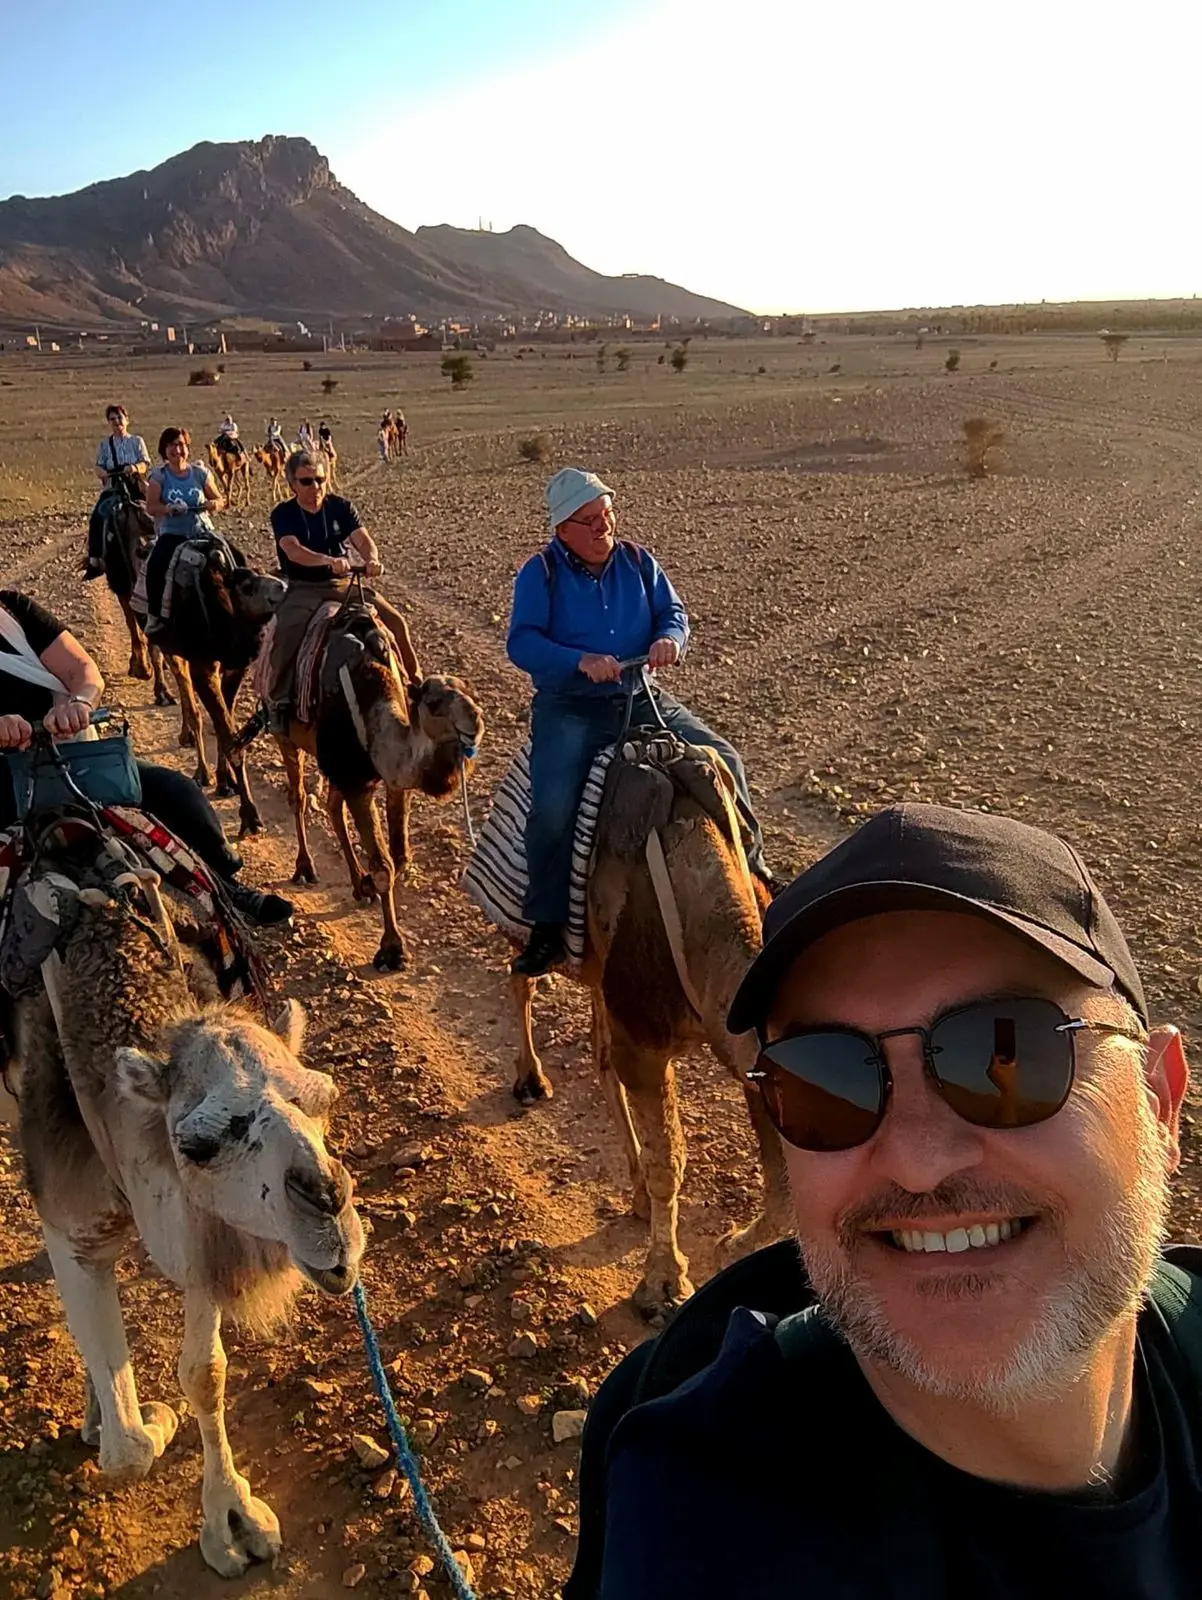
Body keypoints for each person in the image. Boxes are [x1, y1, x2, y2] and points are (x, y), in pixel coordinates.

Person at [570, 803, 1200, 1599]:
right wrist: (580, 666)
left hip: (661, 699)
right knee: (558, 817)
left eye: (1006, 1053)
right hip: (574, 692)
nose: (916, 1161)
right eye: (825, 1080)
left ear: (1160, 1101)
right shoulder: (701, 1517)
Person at [505, 467, 773, 976]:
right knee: (553, 810)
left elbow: (673, 613)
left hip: (638, 693)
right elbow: (522, 642)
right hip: (572, 705)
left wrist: (671, 639)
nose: (603, 526)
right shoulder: (539, 573)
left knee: (724, 761)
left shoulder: (637, 561)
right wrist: (578, 660)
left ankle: (756, 872)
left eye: (606, 514)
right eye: (589, 520)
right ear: (563, 528)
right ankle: (547, 926)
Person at [0, 590, 291, 925]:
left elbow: (82, 669)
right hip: (6, 777)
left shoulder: (12, 609)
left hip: (70, 758)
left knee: (178, 792)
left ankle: (225, 886)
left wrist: (80, 703)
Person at [264, 451, 419, 732]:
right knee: (287, 632)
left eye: (320, 479)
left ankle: (415, 684)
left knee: (395, 620)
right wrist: (328, 561)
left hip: (345, 584)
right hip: (305, 587)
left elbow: (363, 539)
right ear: (293, 485)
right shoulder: (283, 514)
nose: (316, 487)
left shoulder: (341, 507)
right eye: (307, 481)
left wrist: (371, 559)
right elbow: (293, 550)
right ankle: (279, 699)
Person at [143, 427, 221, 627]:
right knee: (156, 565)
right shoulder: (159, 477)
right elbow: (151, 507)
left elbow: (219, 499)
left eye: (181, 445)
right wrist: (167, 508)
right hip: (173, 533)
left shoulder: (200, 473)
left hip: (202, 530)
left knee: (234, 556)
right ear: (164, 450)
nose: (176, 450)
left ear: (187, 448)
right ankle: (154, 615)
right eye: (171, 445)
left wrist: (214, 504)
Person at [85, 404, 151, 580]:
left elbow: (145, 463)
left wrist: (134, 467)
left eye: (119, 418)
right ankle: (95, 558)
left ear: (127, 420)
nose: (116, 422)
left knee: (152, 513)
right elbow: (99, 466)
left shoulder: (137, 441)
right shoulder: (105, 445)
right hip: (114, 487)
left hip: (135, 486)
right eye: (112, 419)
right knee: (98, 516)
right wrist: (101, 472)